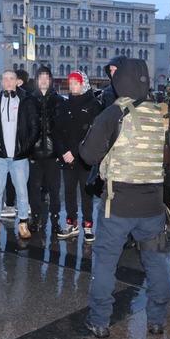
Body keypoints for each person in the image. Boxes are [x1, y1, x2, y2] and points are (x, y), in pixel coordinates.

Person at [80, 58, 170, 337]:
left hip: (116, 204)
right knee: (156, 262)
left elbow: (88, 155)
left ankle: (100, 321)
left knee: (106, 262)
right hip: (153, 206)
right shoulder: (164, 114)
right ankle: (156, 320)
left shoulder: (114, 113)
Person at [0, 70, 39, 241]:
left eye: (12, 79)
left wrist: (25, 148)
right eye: (5, 79)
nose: (8, 82)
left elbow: (34, 128)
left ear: (18, 82)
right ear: (1, 82)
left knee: (22, 192)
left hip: (19, 158)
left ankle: (23, 223)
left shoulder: (26, 102)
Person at [53, 71, 102, 242]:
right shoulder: (65, 104)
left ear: (84, 84)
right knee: (68, 193)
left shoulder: (93, 104)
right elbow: (57, 131)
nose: (73, 86)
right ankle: (71, 223)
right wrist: (63, 152)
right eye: (71, 83)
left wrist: (74, 152)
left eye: (76, 83)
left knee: (85, 192)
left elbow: (92, 133)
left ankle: (88, 225)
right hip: (67, 158)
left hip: (84, 158)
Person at [28, 66, 64, 234]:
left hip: (53, 153)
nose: (43, 80)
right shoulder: (29, 100)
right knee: (34, 189)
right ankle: (36, 219)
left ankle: (55, 220)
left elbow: (63, 129)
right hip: (34, 152)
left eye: (46, 77)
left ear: (50, 80)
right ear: (36, 80)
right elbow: (25, 129)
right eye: (40, 77)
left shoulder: (58, 100)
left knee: (54, 190)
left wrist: (60, 151)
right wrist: (27, 151)